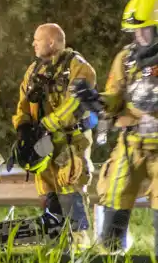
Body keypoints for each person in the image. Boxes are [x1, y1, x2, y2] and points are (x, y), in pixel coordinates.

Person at [10, 24, 96, 242]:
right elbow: (22, 104)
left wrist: (45, 125)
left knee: (71, 199)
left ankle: (80, 255)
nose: (33, 44)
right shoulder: (33, 70)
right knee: (50, 202)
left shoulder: (80, 68)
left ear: (51, 42)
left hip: (71, 144)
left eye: (37, 40)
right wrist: (23, 128)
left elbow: (73, 106)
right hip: (45, 147)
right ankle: (55, 254)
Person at [90, 0, 158, 250]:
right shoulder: (127, 59)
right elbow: (114, 96)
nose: (138, 36)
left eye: (145, 30)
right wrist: (96, 100)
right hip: (131, 145)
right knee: (115, 196)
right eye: (134, 31)